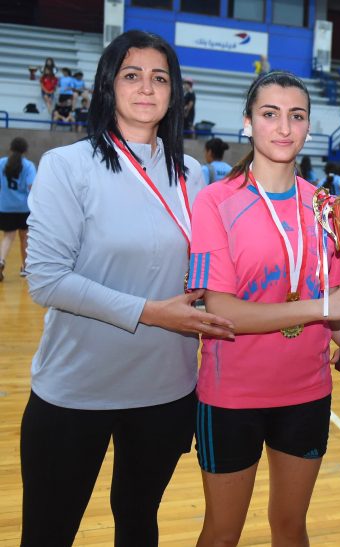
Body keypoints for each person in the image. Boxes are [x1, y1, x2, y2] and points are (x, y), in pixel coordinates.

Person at [20, 30, 234, 547]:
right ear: (107, 85)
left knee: (139, 525)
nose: (146, 88)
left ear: (175, 93)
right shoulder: (67, 166)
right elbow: (47, 279)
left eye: (160, 78)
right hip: (77, 387)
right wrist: (152, 312)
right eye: (132, 75)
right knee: (48, 533)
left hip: (166, 389)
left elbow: (210, 265)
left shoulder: (192, 173)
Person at [188, 71, 340, 547]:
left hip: (307, 391)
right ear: (248, 122)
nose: (284, 128)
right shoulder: (216, 202)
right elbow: (222, 313)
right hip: (231, 396)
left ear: (308, 126)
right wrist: (324, 306)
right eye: (270, 114)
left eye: (297, 116)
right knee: (222, 534)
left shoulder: (328, 207)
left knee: (291, 529)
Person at [0, 137, 36, 281]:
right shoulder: (28, 165)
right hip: (23, 208)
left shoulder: (2, 163)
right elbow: (32, 187)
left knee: (8, 237)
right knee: (24, 237)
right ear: (25, 150)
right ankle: (25, 268)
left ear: (11, 148)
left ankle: (1, 260)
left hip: (5, 206)